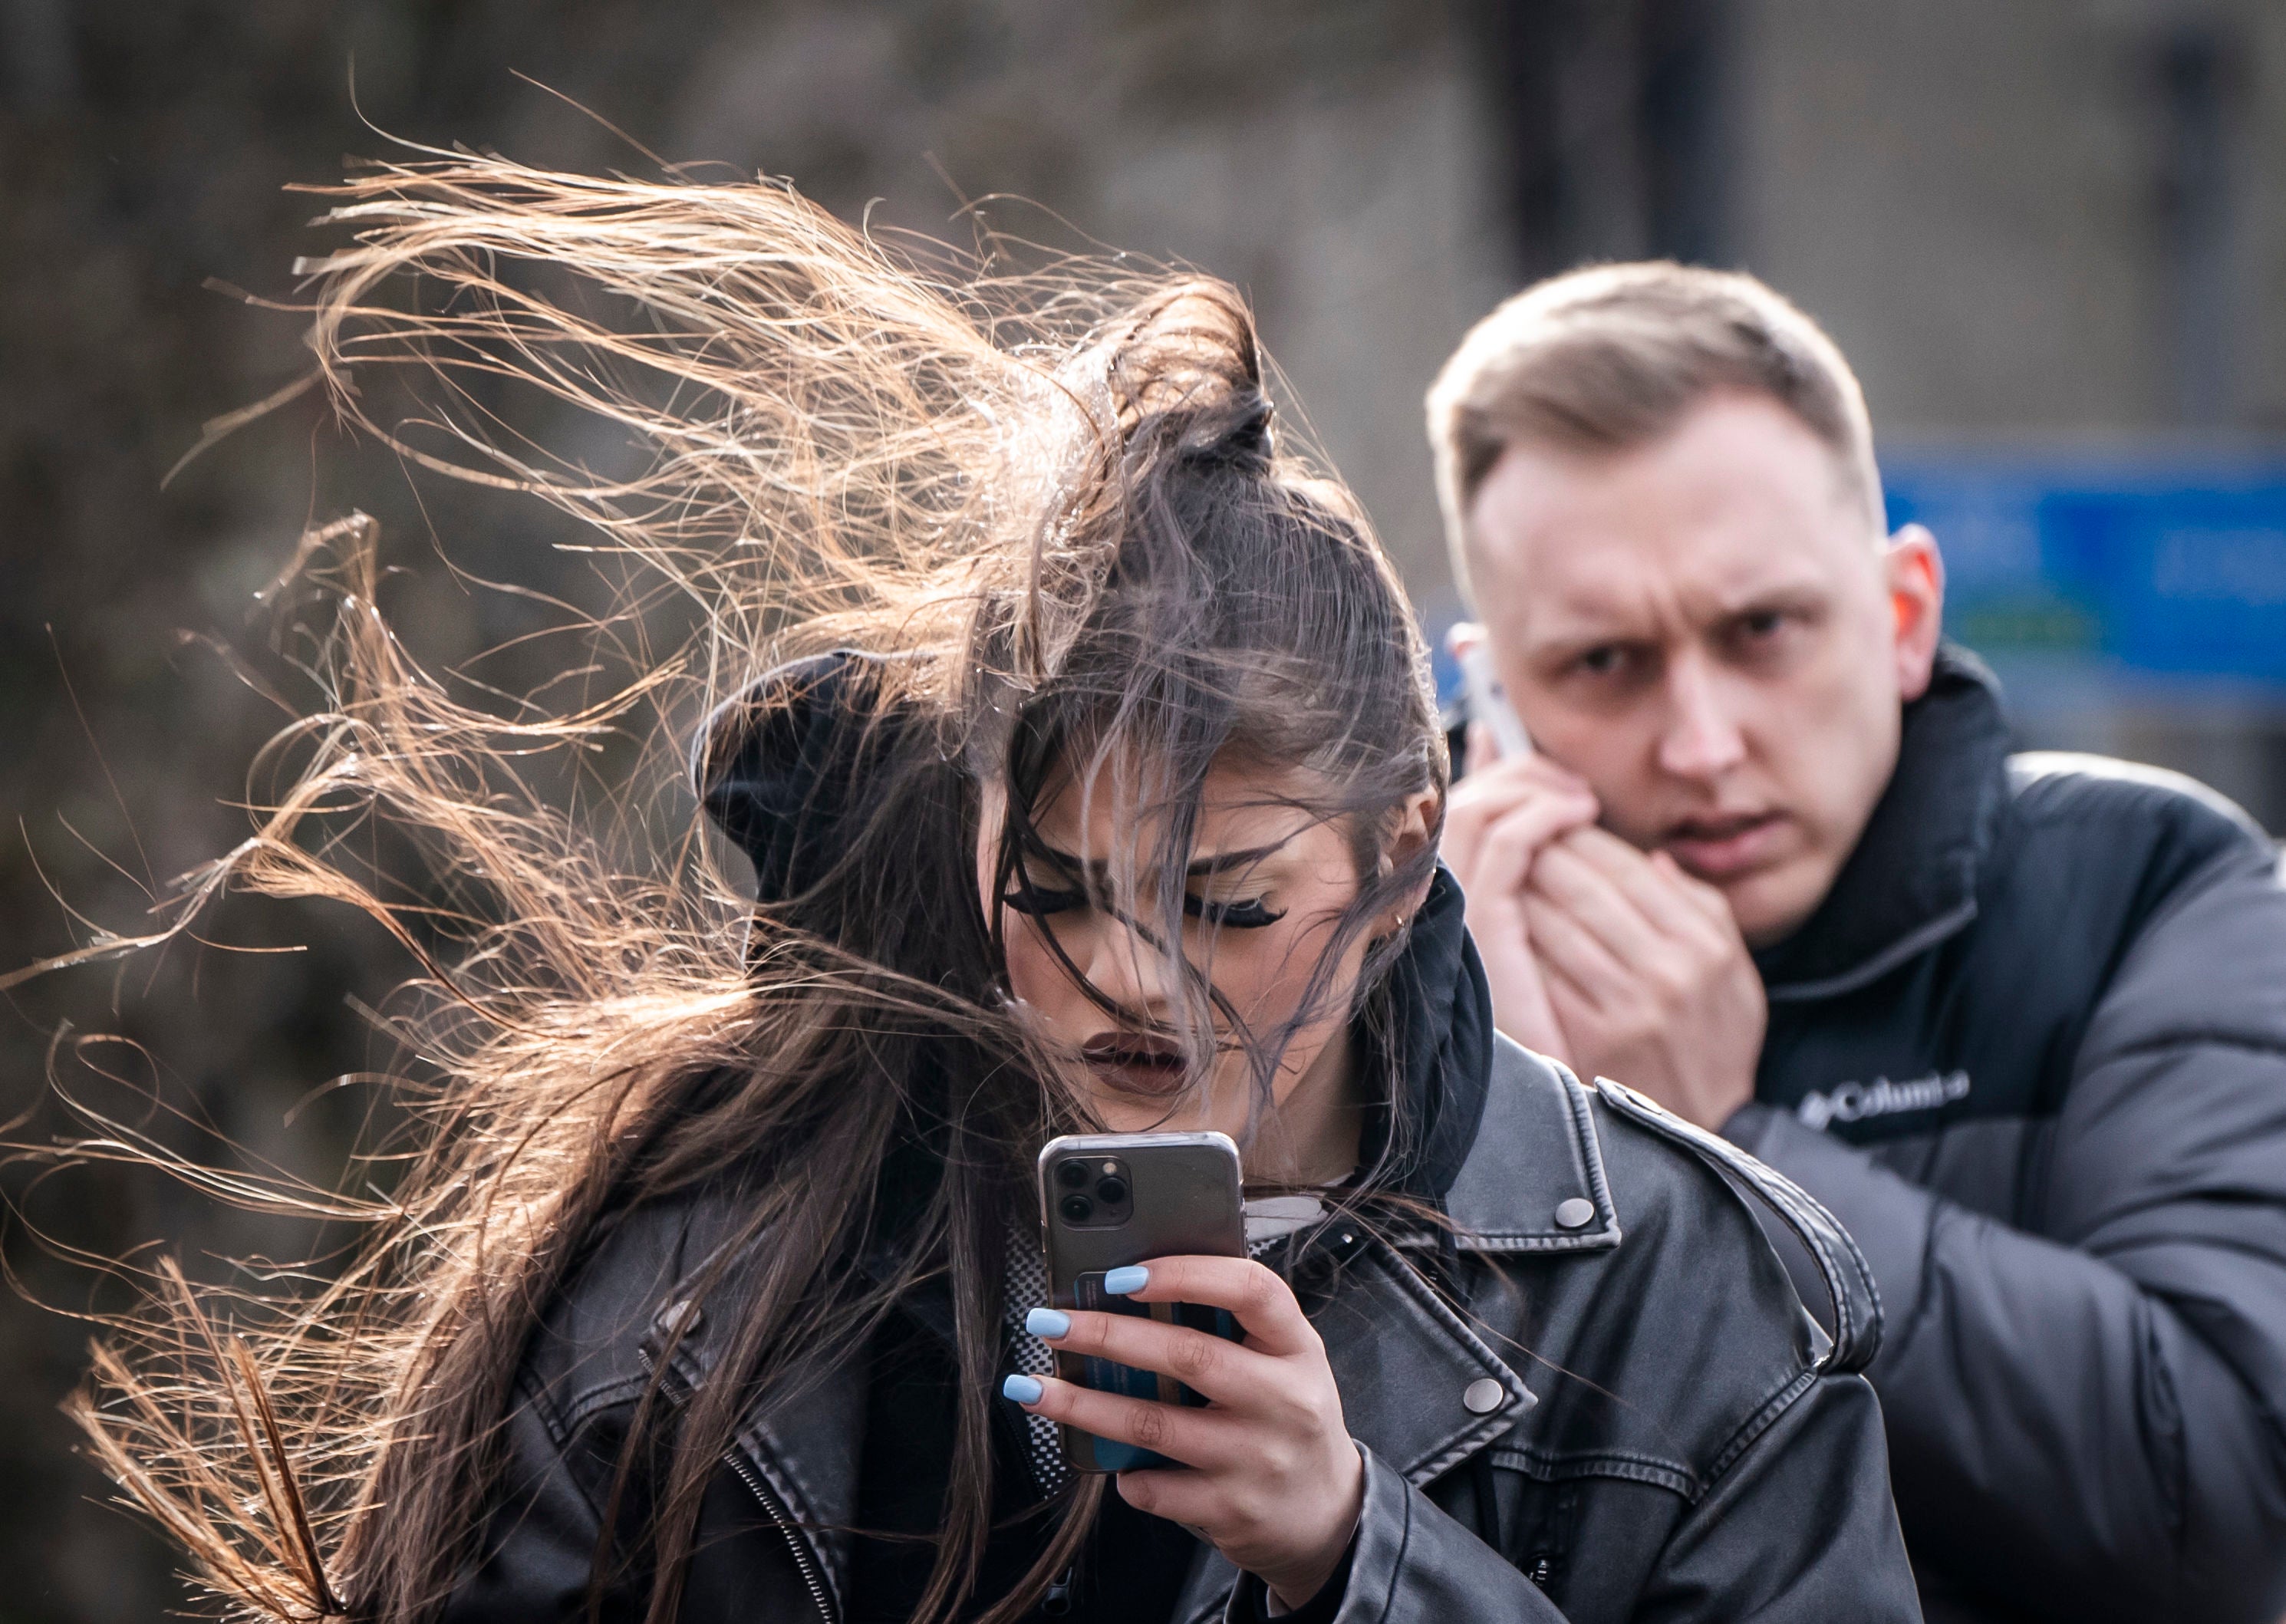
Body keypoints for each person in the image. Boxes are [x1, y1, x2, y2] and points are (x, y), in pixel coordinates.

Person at [58, 166, 1922, 1624]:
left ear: (1398, 852)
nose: (1133, 984)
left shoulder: (1710, 1300)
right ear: (970, 833)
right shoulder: (724, 1244)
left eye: (1225, 903)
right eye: (1054, 891)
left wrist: (1355, 1553)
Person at [1428, 260, 2286, 1624]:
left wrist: (1730, 1138)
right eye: (1605, 664)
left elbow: (2230, 1507)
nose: (1703, 745)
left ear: (1903, 614)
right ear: (1495, 707)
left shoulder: (2152, 882)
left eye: (1761, 630)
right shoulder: (1404, 1004)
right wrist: (1490, 1112)